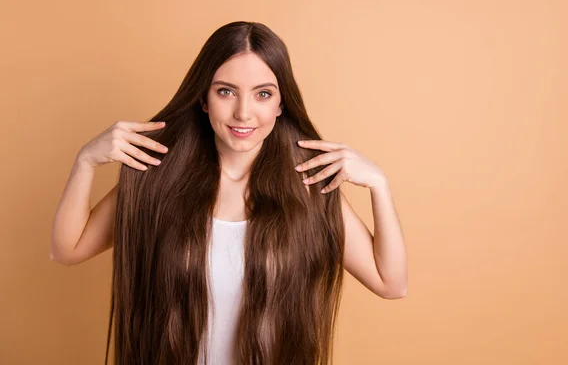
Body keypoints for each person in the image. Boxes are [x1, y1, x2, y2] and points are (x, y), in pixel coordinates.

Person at [50, 21, 407, 365]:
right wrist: (85, 162)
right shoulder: (158, 179)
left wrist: (379, 184)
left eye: (263, 94)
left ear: (281, 105)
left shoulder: (309, 188)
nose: (243, 113)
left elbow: (391, 283)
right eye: (226, 91)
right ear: (203, 99)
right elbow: (67, 249)